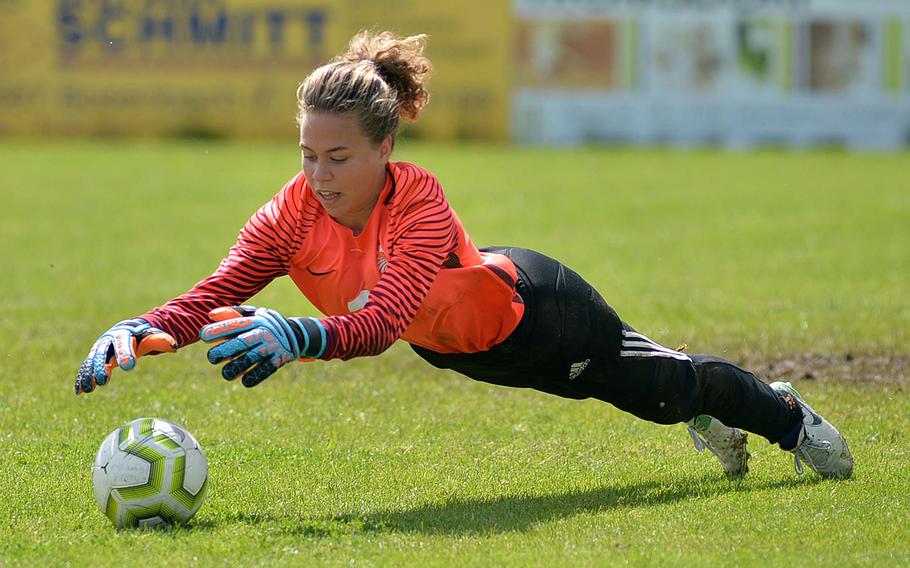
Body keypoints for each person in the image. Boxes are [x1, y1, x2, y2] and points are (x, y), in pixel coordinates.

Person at [74, 31, 853, 479]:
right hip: (467, 353)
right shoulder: (289, 213)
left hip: (544, 316)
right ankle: (707, 410)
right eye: (308, 153)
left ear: (385, 145)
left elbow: (382, 322)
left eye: (339, 157)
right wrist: (143, 327)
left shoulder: (417, 199)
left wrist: (300, 334)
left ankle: (788, 416)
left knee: (663, 388)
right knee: (655, 396)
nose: (318, 174)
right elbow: (219, 289)